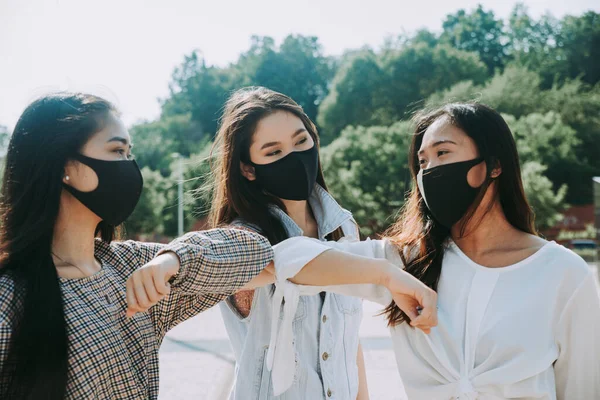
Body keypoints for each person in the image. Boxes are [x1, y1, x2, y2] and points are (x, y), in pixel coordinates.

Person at [0, 92, 437, 400]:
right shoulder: (9, 297)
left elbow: (256, 255)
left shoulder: (127, 269)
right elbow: (269, 252)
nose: (131, 167)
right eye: (117, 152)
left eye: (130, 152)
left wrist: (176, 256)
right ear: (65, 168)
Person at [270, 103, 600, 399]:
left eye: (443, 153)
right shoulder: (405, 262)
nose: (429, 171)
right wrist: (388, 276)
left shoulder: (563, 273)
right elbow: (283, 261)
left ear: (494, 165)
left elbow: (583, 388)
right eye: (422, 161)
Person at [209, 86, 368, 399]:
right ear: (247, 168)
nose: (294, 158)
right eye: (274, 152)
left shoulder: (344, 229)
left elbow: (349, 341)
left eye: (300, 141)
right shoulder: (245, 241)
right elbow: (287, 263)